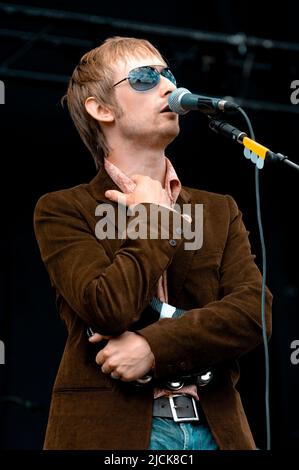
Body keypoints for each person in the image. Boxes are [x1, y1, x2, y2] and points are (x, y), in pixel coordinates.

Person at [34, 36, 272, 451]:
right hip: (113, 435)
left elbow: (255, 313)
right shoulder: (63, 209)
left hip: (219, 431)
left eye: (168, 74)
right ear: (101, 108)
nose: (167, 86)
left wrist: (152, 346)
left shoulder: (219, 209)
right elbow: (107, 306)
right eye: (145, 78)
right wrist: (156, 219)